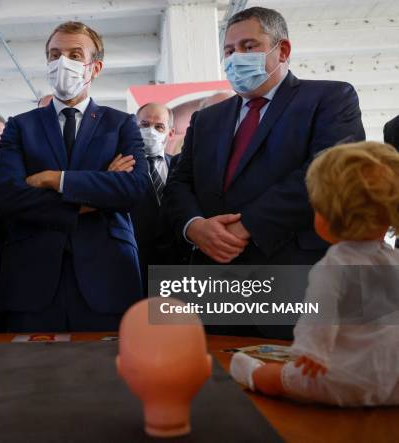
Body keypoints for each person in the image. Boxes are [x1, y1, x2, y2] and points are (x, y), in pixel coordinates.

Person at [164, 7, 365, 268]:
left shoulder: (330, 98)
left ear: (282, 51)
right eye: (229, 51)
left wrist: (248, 224)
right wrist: (194, 226)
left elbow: (330, 173)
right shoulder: (206, 119)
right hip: (215, 270)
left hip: (297, 267)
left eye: (249, 47)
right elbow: (179, 182)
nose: (237, 57)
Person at [0, 21, 148, 332]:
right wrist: (95, 196)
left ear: (95, 67)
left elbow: (134, 188)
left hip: (108, 279)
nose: (63, 63)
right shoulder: (20, 126)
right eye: (54, 55)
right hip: (31, 280)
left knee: (106, 377)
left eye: (76, 55)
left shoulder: (120, 124)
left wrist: (54, 179)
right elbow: (7, 196)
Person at [230, 141, 399, 406]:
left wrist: (311, 351)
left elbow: (320, 315)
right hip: (392, 378)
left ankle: (251, 372)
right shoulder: (393, 259)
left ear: (326, 216)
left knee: (276, 378)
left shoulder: (334, 264)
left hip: (344, 379)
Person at [131, 103, 185, 292]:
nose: (151, 131)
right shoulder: (120, 168)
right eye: (144, 125)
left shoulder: (181, 166)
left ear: (170, 133)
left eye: (159, 127)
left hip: (178, 269)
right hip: (135, 268)